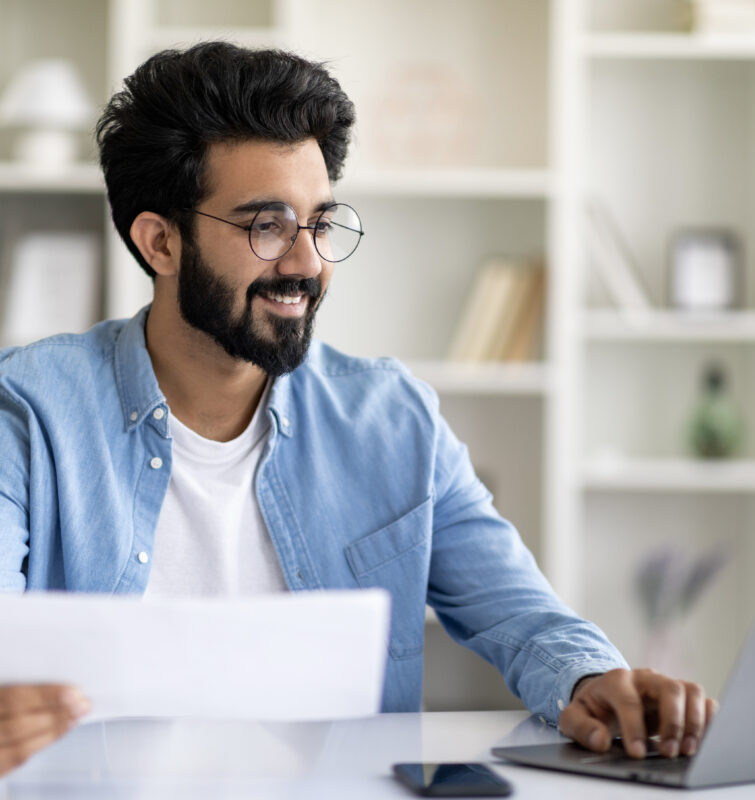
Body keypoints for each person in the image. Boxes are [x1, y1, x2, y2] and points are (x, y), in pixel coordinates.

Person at [0, 42, 715, 776]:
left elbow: (523, 616)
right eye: (266, 226)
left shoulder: (391, 417)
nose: (308, 263)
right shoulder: (29, 410)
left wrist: (594, 681)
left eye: (320, 222)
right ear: (161, 242)